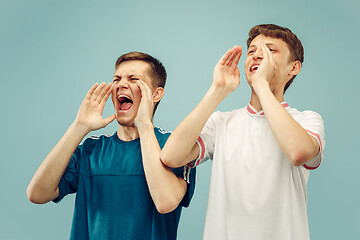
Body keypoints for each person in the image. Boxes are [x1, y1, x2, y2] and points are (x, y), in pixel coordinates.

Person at [161, 24, 325, 240]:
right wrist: (217, 90)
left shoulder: (306, 120)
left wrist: (261, 85)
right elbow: (170, 156)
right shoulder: (221, 123)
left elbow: (299, 153)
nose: (258, 56)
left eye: (270, 50)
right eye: (252, 51)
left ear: (294, 68)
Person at [27, 51, 195, 240]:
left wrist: (144, 126)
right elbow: (37, 193)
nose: (121, 84)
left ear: (156, 94)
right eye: (117, 79)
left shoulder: (174, 147)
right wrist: (79, 127)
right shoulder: (91, 151)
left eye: (133, 79)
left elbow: (165, 202)